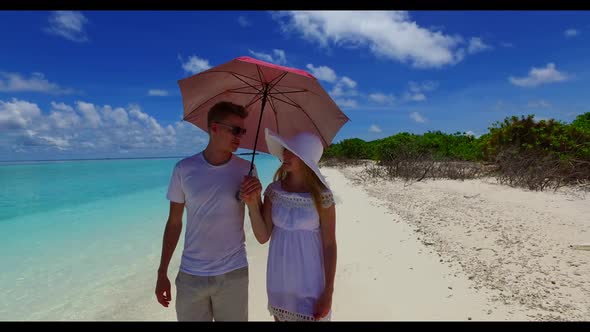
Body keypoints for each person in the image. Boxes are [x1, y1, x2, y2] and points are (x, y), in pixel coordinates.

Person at [155, 101, 260, 321]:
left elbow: (260, 229)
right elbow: (174, 223)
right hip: (191, 275)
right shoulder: (184, 169)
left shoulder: (247, 170)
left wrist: (252, 200)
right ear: (214, 128)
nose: (240, 136)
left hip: (234, 273)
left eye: (243, 131)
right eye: (235, 130)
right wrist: (162, 272)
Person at [240, 128, 337, 321]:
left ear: (306, 158)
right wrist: (252, 203)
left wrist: (328, 293)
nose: (284, 154)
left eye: (291, 151)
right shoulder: (273, 191)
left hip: (311, 284)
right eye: (285, 149)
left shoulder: (323, 196)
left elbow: (329, 245)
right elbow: (262, 237)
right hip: (280, 281)